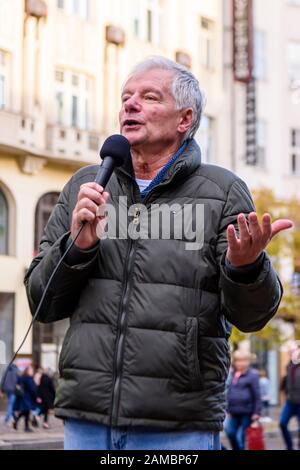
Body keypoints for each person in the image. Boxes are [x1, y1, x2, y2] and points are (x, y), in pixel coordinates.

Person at [24, 56, 292, 450]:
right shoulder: (84, 186)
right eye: (126, 97)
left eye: (149, 97)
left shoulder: (221, 192)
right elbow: (41, 303)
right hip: (88, 417)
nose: (130, 105)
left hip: (178, 422)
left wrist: (247, 267)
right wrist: (78, 247)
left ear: (184, 119)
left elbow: (251, 318)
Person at [225, 350, 261, 450]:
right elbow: (228, 392)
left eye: (243, 360)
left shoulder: (253, 375)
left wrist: (256, 413)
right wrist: (227, 409)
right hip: (233, 412)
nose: (241, 363)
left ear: (248, 361)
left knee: (241, 438)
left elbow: (257, 395)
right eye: (238, 360)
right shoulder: (232, 374)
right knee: (230, 432)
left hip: (247, 412)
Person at [279, 343, 300, 450]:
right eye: (290, 351)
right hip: (290, 401)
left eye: (294, 350)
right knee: (282, 423)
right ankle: (289, 446)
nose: (292, 353)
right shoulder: (289, 365)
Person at [13, 365, 37, 432]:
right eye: (31, 370)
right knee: (26, 412)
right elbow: (32, 389)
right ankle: (26, 428)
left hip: (23, 397)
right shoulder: (29, 379)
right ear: (28, 371)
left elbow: (17, 384)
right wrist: (36, 396)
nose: (32, 372)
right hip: (27, 398)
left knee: (25, 412)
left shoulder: (22, 378)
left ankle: (17, 421)